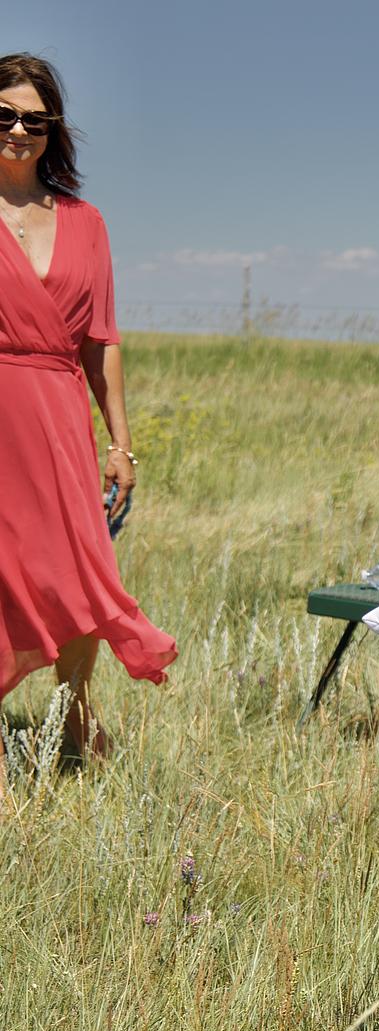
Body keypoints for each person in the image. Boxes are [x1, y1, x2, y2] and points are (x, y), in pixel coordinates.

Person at [0, 53, 177, 793]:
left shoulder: (85, 221)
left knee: (75, 569)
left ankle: (73, 711)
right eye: (4, 114)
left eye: (34, 120)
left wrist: (120, 443)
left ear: (54, 130)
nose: (18, 130)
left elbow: (102, 341)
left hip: (60, 414)